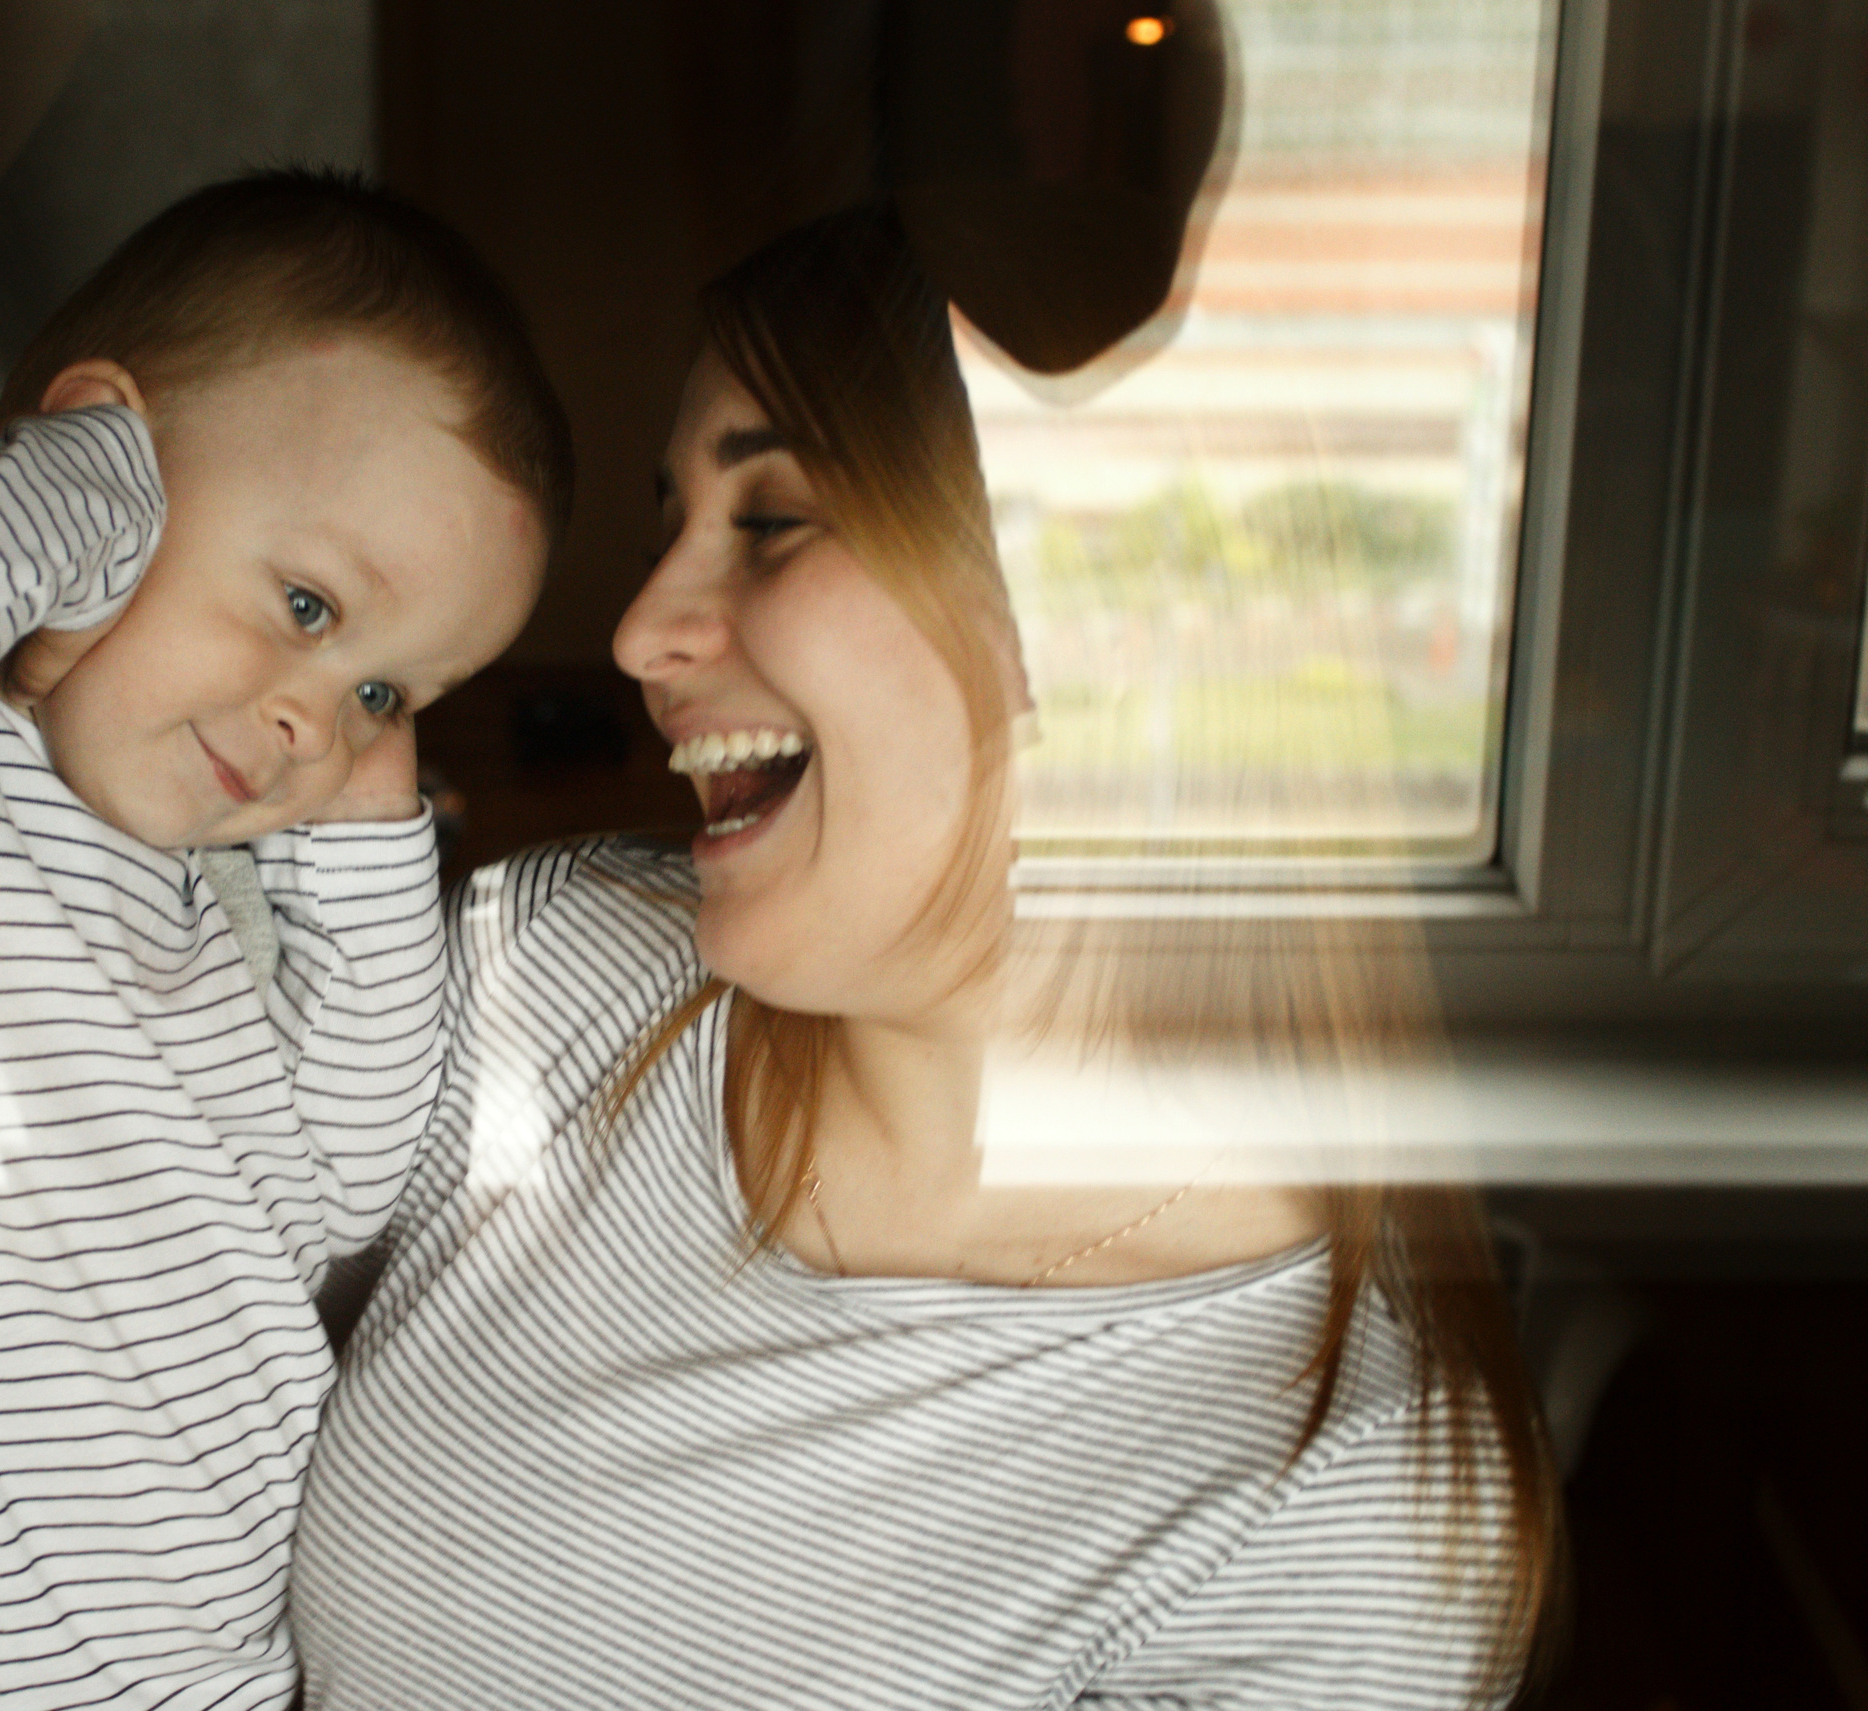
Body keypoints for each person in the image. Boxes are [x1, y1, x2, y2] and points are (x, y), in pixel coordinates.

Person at [288, 206, 1559, 1709]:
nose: (635, 634)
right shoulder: (552, 972)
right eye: (668, 530)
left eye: (771, 524)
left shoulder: (1336, 1506)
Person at [0, 169, 568, 1711]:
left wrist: (370, 834)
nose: (322, 718)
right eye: (308, 603)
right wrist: (92, 489)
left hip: (219, 1673)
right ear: (103, 467)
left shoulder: (197, 910)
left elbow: (349, 1176)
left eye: (390, 693)